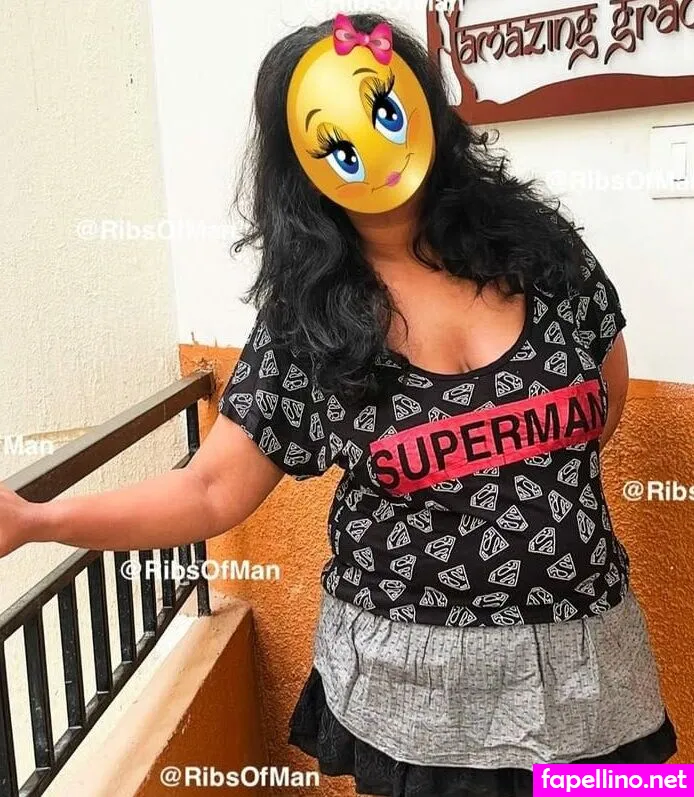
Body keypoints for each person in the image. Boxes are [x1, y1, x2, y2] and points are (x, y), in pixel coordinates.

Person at [0, 12, 677, 797]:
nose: (374, 150)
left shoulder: (545, 253)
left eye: (385, 111)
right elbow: (211, 488)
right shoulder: (308, 318)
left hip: (590, 668)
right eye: (336, 141)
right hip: (416, 693)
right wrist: (37, 518)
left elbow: (602, 405)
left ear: (423, 104)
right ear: (300, 162)